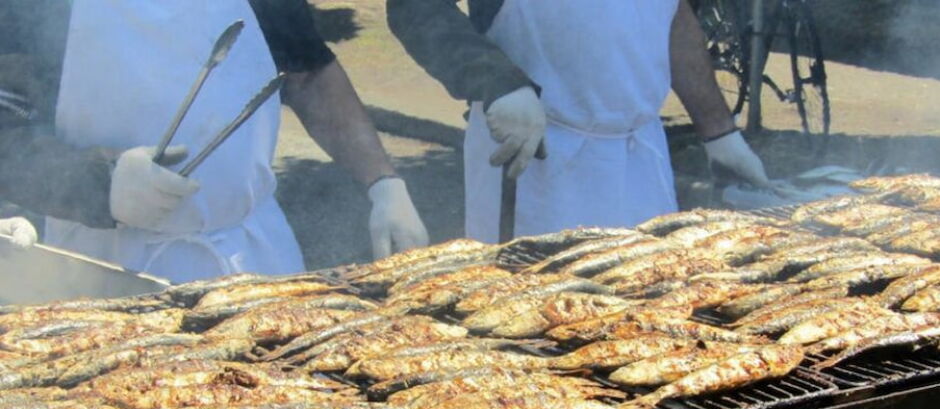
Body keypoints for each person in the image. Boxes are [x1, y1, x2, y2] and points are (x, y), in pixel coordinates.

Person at [0, 0, 428, 283]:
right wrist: (98, 185)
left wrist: (383, 183)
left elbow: (308, 75)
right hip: (105, 272)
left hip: (253, 262)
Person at [388, 0, 774, 242]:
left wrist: (719, 133)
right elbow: (417, 9)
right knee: (535, 325)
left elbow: (674, 15)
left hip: (641, 158)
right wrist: (495, 80)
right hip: (537, 157)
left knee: (652, 312)